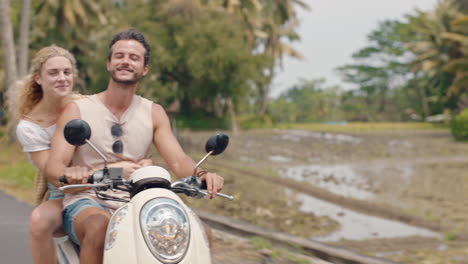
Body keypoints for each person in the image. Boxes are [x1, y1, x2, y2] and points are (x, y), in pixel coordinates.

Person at [45, 29, 224, 263]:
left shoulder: (154, 113)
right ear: (109, 63)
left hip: (140, 200)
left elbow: (179, 161)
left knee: (200, 232)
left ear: (145, 69)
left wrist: (202, 175)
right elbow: (54, 167)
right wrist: (72, 173)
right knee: (100, 228)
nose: (125, 61)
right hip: (88, 199)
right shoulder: (78, 110)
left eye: (134, 57)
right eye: (119, 56)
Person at [13, 45, 77, 264]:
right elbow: (54, 175)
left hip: (103, 186)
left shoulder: (84, 106)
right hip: (63, 192)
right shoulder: (30, 126)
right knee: (38, 221)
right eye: (53, 73)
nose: (62, 78)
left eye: (66, 72)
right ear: (38, 78)